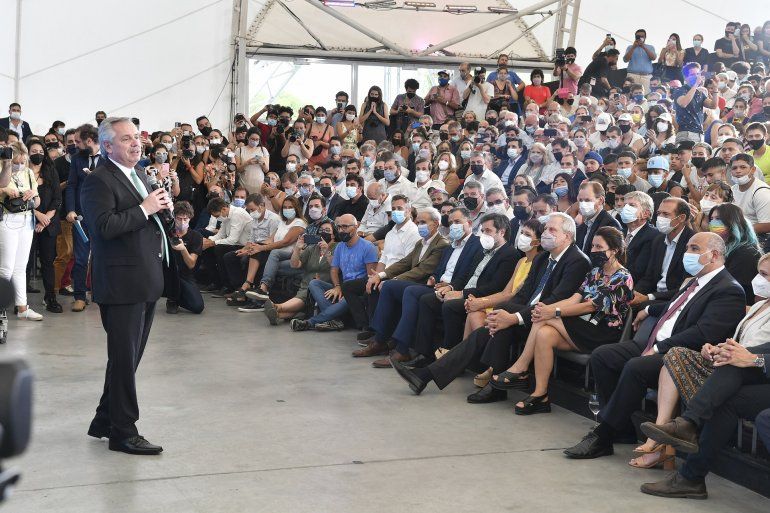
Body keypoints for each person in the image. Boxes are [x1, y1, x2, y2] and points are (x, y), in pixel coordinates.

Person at [564, 232, 746, 460]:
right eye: (687, 248)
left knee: (635, 367)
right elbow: (676, 306)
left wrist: (659, 348)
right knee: (603, 356)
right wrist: (649, 309)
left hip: (681, 355)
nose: (687, 253)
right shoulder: (696, 281)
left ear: (715, 255)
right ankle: (623, 428)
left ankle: (604, 435)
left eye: (694, 249)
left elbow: (704, 333)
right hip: (655, 344)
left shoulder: (728, 289)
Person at [391, 213, 591, 400]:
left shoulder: (577, 261)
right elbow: (522, 294)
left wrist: (512, 317)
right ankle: (429, 376)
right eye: (545, 229)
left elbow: (554, 300)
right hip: (528, 314)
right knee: (494, 324)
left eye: (552, 230)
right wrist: (503, 312)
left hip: (548, 320)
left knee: (499, 322)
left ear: (568, 236)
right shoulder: (542, 258)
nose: (546, 233)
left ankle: (484, 384)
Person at [81, 117, 172, 455]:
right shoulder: (98, 181)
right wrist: (145, 208)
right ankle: (123, 432)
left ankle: (105, 420)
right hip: (121, 284)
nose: (136, 143)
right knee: (123, 360)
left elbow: (150, 220)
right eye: (126, 139)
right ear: (107, 146)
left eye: (137, 137)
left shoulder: (140, 174)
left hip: (145, 279)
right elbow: (104, 227)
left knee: (127, 359)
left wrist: (163, 211)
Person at [631, 254, 770, 471]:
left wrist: (746, 356)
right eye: (759, 273)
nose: (759, 279)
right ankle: (670, 430)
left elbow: (760, 350)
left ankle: (679, 430)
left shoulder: (732, 291)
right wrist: (715, 348)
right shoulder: (758, 306)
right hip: (731, 363)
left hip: (753, 371)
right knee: (676, 354)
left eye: (765, 275)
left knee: (724, 366)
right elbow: (738, 341)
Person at [490, 227, 633, 415]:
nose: (594, 250)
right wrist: (547, 309)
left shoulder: (623, 277)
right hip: (582, 325)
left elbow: (590, 306)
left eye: (599, 247)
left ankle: (521, 366)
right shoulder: (595, 271)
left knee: (544, 318)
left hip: (601, 331)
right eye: (592, 246)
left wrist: (554, 311)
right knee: (544, 333)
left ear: (614, 250)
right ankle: (541, 395)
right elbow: (575, 298)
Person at [390, 213, 516, 368]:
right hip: (465, 291)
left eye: (488, 231)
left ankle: (449, 356)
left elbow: (495, 287)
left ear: (501, 232)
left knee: (450, 306)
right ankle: (424, 353)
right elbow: (465, 275)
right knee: (428, 300)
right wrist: (451, 288)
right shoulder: (483, 250)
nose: (484, 235)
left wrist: (461, 294)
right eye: (482, 231)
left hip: (480, 298)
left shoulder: (509, 254)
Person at [352, 208, 449, 358]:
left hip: (425, 284)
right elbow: (405, 262)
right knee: (380, 285)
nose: (420, 226)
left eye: (423, 222)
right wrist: (381, 275)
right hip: (412, 283)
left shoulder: (441, 244)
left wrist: (395, 280)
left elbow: (423, 270)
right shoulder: (421, 242)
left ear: (436, 224)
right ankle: (380, 339)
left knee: (390, 286)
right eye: (418, 222)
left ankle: (392, 345)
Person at [0, 141, 42, 321]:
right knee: (6, 268)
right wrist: (5, 188)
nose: (20, 165)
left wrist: (33, 194)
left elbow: (38, 202)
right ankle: (1, 308)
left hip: (26, 220)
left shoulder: (29, 172)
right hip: (7, 219)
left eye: (23, 162)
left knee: (20, 267)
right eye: (16, 162)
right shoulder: (3, 168)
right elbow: (2, 183)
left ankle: (22, 307)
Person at [267, 221, 337, 328]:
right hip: (306, 285)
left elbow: (336, 266)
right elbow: (295, 265)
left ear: (333, 235)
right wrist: (297, 248)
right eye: (321, 230)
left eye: (327, 230)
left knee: (305, 296)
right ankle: (278, 315)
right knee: (304, 296)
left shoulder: (338, 247)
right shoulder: (312, 248)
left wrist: (326, 250)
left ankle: (277, 307)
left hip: (325, 287)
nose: (323, 232)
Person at [66, 123, 101, 312]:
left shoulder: (109, 157)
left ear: (89, 140)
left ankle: (101, 293)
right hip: (81, 216)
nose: (75, 145)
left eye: (78, 141)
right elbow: (71, 185)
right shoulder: (77, 158)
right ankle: (79, 296)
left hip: (104, 216)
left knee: (103, 257)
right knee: (80, 258)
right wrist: (71, 209)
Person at [632, 197, 694, 304]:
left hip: (674, 300)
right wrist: (634, 294)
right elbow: (649, 277)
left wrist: (649, 297)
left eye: (666, 214)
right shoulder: (658, 240)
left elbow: (686, 287)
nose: (660, 218)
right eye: (659, 213)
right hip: (653, 295)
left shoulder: (692, 243)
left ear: (681, 218)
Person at [27, 140, 62, 313]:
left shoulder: (50, 171)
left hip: (48, 223)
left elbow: (57, 198)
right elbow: (18, 199)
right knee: (25, 263)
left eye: (41, 151)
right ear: (27, 153)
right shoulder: (22, 173)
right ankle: (21, 301)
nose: (38, 154)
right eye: (34, 151)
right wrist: (37, 215)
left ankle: (50, 297)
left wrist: (45, 218)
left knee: (48, 262)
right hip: (27, 222)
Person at [707, 203, 762, 302]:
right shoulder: (721, 247)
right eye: (711, 219)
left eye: (718, 219)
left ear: (732, 222)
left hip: (734, 303)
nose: (713, 223)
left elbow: (729, 287)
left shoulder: (746, 253)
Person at [164, 201, 204, 314]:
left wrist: (183, 249)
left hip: (185, 275)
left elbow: (191, 264)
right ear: (174, 218)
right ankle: (171, 298)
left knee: (198, 306)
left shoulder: (196, 236)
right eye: (179, 218)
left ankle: (176, 298)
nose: (182, 222)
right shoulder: (167, 233)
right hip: (167, 272)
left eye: (185, 219)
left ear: (190, 219)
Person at [730, 153, 770, 251]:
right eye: (734, 168)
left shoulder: (761, 192)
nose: (738, 171)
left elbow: (767, 225)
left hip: (759, 240)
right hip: (738, 236)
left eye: (743, 167)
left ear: (753, 170)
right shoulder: (732, 189)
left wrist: (738, 230)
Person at [672, 63, 719, 143]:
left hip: (699, 133)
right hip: (686, 133)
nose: (696, 77)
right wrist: (696, 84)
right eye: (693, 74)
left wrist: (715, 88)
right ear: (685, 77)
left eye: (698, 74)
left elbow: (713, 105)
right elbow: (684, 103)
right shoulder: (680, 90)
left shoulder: (699, 93)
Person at [620, 191, 659, 284]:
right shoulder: (620, 232)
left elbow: (639, 270)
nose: (625, 208)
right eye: (625, 205)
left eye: (631, 205)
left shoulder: (653, 235)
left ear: (645, 213)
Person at [575, 182, 622, 253]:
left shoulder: (610, 225)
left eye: (587, 200)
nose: (583, 204)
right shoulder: (582, 227)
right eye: (581, 200)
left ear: (600, 200)